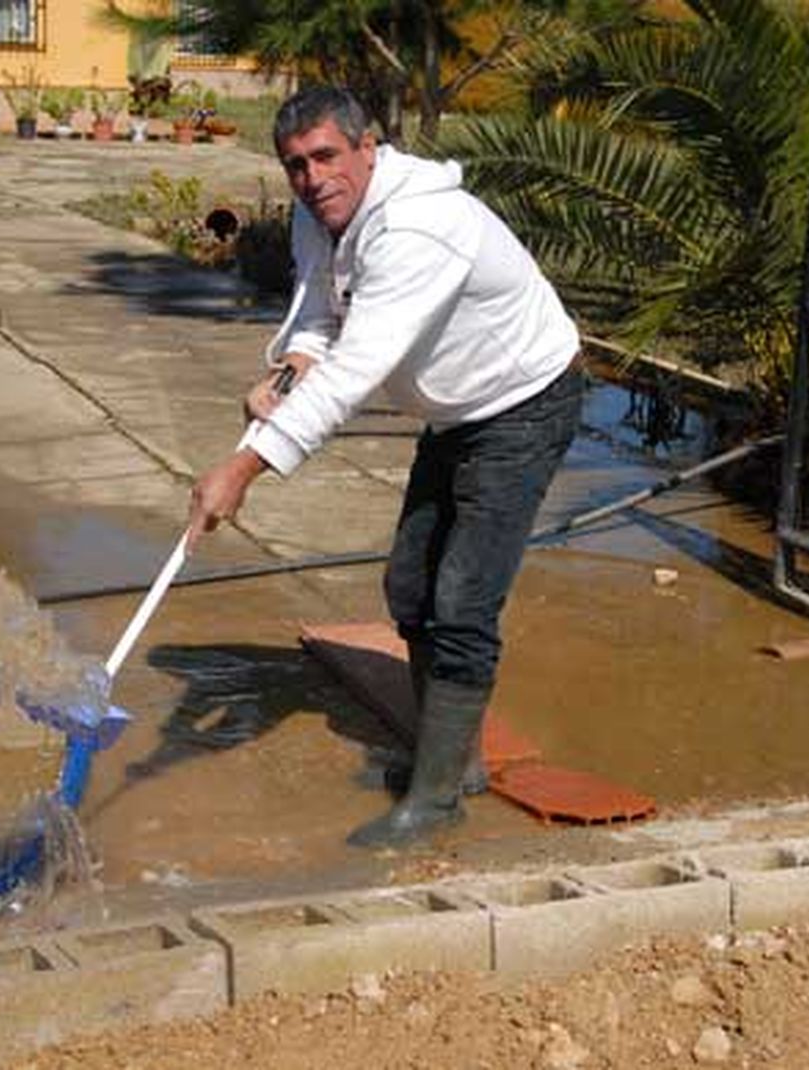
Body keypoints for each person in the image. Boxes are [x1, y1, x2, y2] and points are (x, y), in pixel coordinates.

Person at [187, 86, 582, 848]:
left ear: (368, 148)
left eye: (326, 156)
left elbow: (354, 370)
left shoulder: (417, 228)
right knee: (410, 585)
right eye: (296, 165)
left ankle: (435, 800)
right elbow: (318, 318)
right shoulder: (319, 214)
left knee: (463, 601)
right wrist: (287, 373)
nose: (312, 179)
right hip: (455, 411)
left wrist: (242, 468)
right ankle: (456, 763)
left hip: (524, 403)